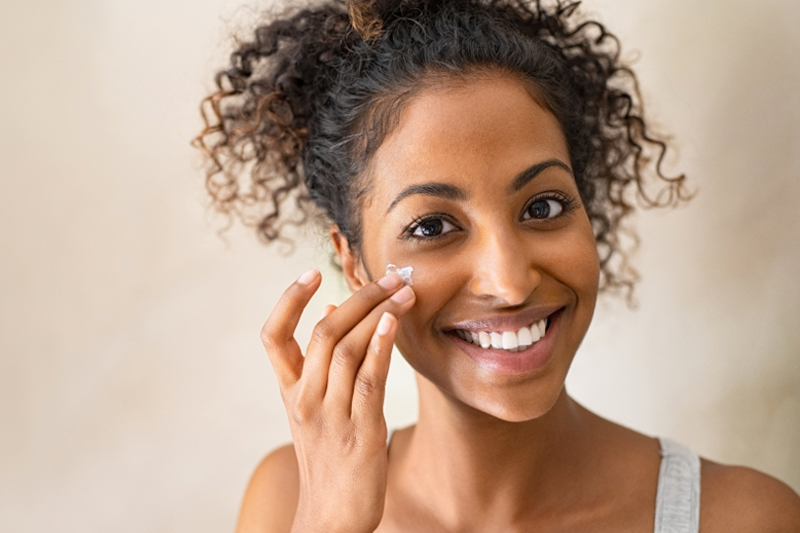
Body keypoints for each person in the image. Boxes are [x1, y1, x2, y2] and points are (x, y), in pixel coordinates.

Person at [194, 1, 800, 531]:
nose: (509, 283)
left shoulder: (743, 518)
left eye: (543, 206)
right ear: (354, 264)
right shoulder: (287, 502)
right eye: (431, 226)